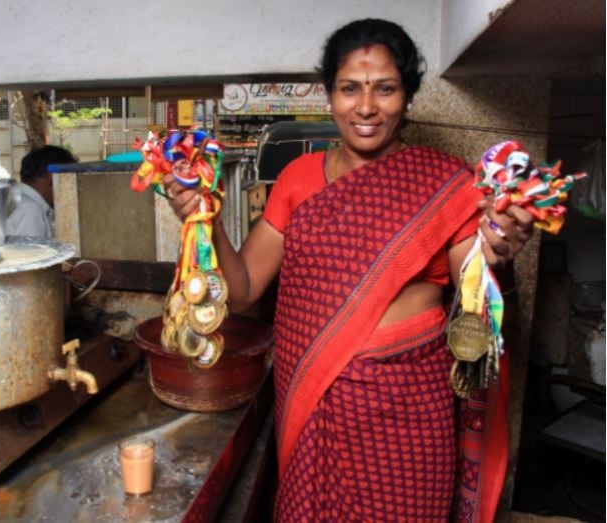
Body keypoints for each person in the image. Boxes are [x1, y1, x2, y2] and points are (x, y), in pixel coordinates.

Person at [164, 19, 534, 523]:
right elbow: (245, 289)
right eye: (350, 89)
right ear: (329, 95)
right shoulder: (297, 179)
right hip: (312, 402)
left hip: (407, 417)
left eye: (385, 89)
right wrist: (202, 219)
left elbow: (473, 275)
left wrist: (500, 247)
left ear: (408, 96)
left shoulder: (445, 184)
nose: (365, 107)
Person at [6, 145, 77, 239]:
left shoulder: (14, 198)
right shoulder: (31, 209)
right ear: (52, 178)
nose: (70, 189)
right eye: (68, 180)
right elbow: (31, 249)